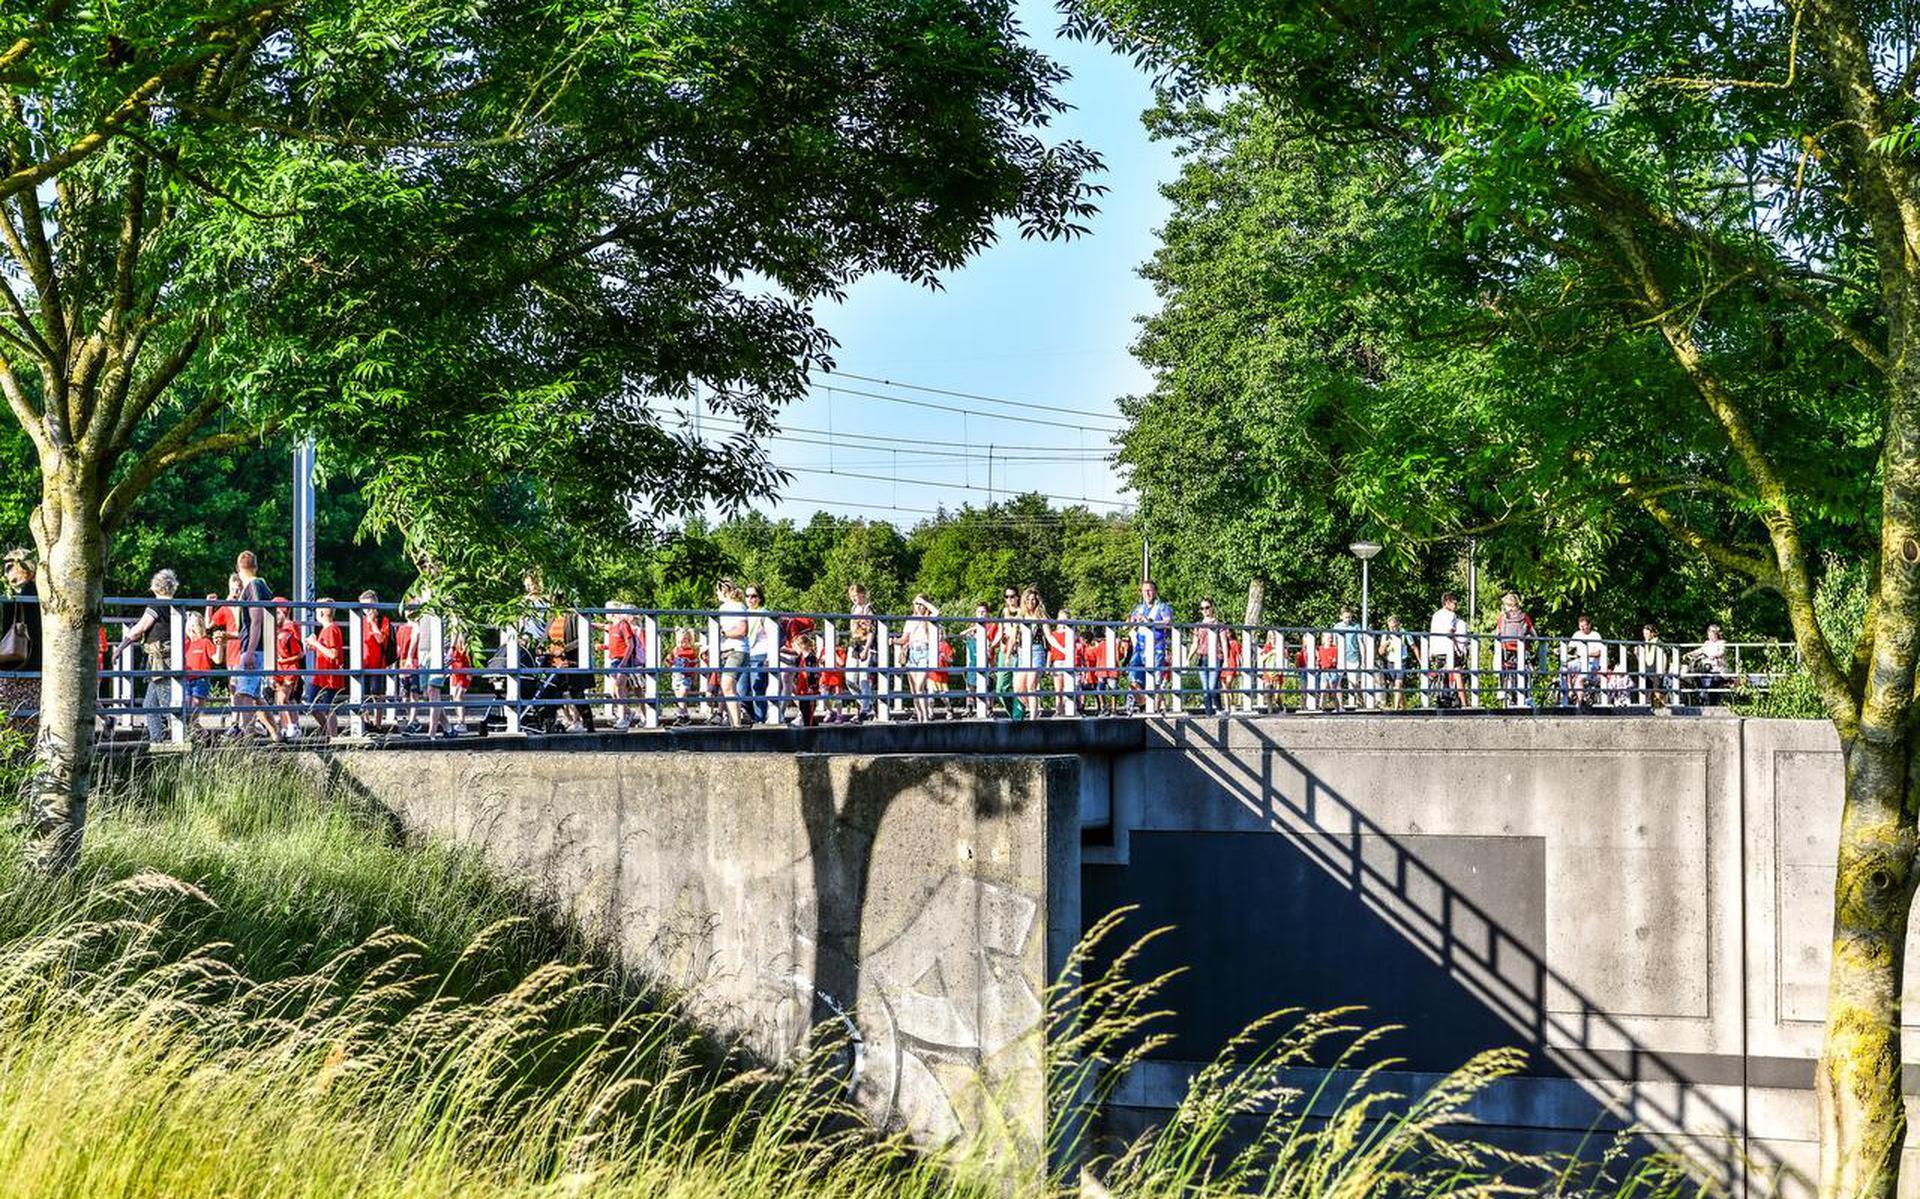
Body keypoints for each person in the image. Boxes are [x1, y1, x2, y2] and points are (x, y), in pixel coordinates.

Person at [120, 568, 179, 743]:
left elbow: (139, 629)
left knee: (167, 702)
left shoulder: (156, 606)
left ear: (156, 587)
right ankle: (156, 740)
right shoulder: (176, 605)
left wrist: (120, 648)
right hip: (168, 657)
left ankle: (183, 737)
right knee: (150, 704)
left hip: (161, 659)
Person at [233, 551, 276, 740]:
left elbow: (256, 619)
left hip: (253, 648)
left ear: (238, 568)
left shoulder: (253, 586)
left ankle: (248, 736)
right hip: (259, 646)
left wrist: (249, 651)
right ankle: (276, 733)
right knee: (255, 695)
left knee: (244, 695)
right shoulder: (261, 584)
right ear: (255, 566)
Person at [0, 548, 40, 725]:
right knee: (29, 718)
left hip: (13, 664)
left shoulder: (14, 596)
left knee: (11, 719)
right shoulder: (40, 593)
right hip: (36, 663)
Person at [1127, 580, 1173, 714]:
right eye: (1144, 590)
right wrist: (1133, 623)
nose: (1147, 593)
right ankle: (1144, 703)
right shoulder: (1139, 608)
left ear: (1155, 592)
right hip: (1140, 648)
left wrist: (1150, 622)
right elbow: (1131, 621)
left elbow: (1167, 622)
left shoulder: (1162, 607)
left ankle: (1154, 708)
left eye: (1150, 590)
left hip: (1156, 647)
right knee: (1132, 678)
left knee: (1156, 680)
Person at [307, 601, 347, 742]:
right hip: (322, 675)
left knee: (328, 707)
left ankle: (333, 736)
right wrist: (316, 646)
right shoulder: (327, 630)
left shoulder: (331, 629)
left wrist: (315, 643)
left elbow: (333, 654)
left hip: (330, 676)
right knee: (311, 704)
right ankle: (328, 732)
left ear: (322, 613)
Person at [901, 595, 941, 722]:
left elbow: (937, 612)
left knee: (919, 688)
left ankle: (925, 718)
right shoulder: (910, 620)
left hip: (924, 652)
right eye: (916, 603)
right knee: (914, 691)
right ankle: (919, 717)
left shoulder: (928, 619)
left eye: (920, 604)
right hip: (912, 653)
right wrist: (893, 641)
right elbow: (904, 638)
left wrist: (924, 602)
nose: (918, 606)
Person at [715, 579, 749, 727]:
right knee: (728, 688)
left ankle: (737, 724)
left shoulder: (738, 606)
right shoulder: (723, 608)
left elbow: (742, 630)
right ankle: (733, 722)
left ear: (723, 590)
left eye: (717, 591)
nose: (716, 594)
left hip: (737, 650)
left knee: (727, 685)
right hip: (726, 651)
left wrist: (724, 632)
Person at [601, 601, 639, 730]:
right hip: (614, 661)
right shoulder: (612, 626)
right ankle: (628, 712)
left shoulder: (623, 625)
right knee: (613, 691)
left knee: (619, 688)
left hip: (623, 660)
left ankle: (623, 718)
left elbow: (630, 645)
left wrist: (624, 663)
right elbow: (605, 629)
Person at [1493, 593, 1536, 708]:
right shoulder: (1524, 616)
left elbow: (1497, 633)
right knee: (1524, 672)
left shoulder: (1502, 617)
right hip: (1521, 650)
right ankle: (1526, 697)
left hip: (1506, 649)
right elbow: (1534, 634)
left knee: (1503, 666)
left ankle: (1502, 689)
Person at [1011, 587, 1047, 720]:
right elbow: (1013, 637)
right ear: (1024, 601)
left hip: (1037, 651)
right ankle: (1035, 709)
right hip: (1022, 652)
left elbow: (1049, 636)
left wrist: (1062, 648)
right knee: (1018, 689)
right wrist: (1009, 654)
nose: (1031, 602)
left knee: (1031, 685)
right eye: (1028, 599)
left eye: (1034, 600)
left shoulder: (1040, 615)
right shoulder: (1020, 616)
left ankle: (1033, 718)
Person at [271, 599, 305, 741]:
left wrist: (283, 661)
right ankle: (288, 727)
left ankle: (292, 726)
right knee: (282, 700)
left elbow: (300, 654)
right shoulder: (271, 634)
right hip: (278, 671)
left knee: (284, 698)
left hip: (289, 670)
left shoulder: (288, 632)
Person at [358, 590, 391, 731]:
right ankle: (365, 722)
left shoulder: (383, 620)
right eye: (363, 607)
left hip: (378, 663)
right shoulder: (359, 620)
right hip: (363, 662)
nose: (366, 610)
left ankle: (377, 725)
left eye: (369, 606)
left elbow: (380, 639)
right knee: (362, 694)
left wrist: (372, 623)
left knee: (377, 694)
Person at [1426, 593, 1467, 707]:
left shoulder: (1436, 615)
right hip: (1447, 649)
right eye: (1454, 602)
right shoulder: (1451, 615)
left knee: (1443, 673)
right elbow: (1450, 632)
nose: (1456, 605)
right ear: (1447, 602)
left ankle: (1444, 698)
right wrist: (1458, 648)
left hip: (1437, 650)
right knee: (1458, 672)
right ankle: (1465, 703)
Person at [744, 586, 778, 724]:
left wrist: (770, 656)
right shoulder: (743, 613)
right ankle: (751, 717)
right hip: (745, 654)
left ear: (760, 597)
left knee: (757, 688)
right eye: (747, 596)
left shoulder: (764, 614)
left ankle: (760, 720)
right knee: (742, 690)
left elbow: (772, 635)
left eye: (753, 596)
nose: (750, 599)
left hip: (759, 653)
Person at [1191, 598, 1228, 716]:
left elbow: (1224, 642)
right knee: (1206, 689)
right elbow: (1195, 643)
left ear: (1212, 608)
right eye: (1202, 608)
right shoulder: (1198, 625)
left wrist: (1226, 660)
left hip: (1216, 657)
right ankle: (1209, 714)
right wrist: (1189, 657)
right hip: (1202, 658)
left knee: (1212, 687)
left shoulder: (1219, 624)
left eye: (1207, 607)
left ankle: (1219, 708)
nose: (1205, 610)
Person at [844, 584, 876, 722]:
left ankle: (865, 709)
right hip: (854, 644)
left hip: (865, 645)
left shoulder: (868, 609)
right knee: (849, 679)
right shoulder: (853, 609)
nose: (853, 599)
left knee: (863, 677)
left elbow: (871, 631)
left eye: (856, 596)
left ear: (863, 594)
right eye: (852, 597)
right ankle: (869, 704)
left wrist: (867, 649)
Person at [181, 613, 216, 737]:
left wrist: (220, 645)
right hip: (186, 681)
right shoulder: (185, 643)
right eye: (190, 625)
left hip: (200, 681)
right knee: (186, 715)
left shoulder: (205, 642)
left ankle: (203, 737)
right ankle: (205, 736)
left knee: (193, 715)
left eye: (195, 624)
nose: (192, 628)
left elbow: (217, 659)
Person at [1563, 615, 1605, 706]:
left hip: (1592, 663)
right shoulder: (1577, 634)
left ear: (1589, 625)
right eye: (1580, 626)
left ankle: (1579, 704)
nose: (1582, 628)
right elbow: (1570, 648)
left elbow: (1599, 652)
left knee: (1580, 679)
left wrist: (1585, 654)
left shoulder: (1595, 635)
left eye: (1584, 625)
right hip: (1579, 661)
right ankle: (1570, 692)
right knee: (1565, 668)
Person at [1684, 624, 1731, 705]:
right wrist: (1690, 654)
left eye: (1712, 633)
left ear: (1716, 634)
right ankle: (1701, 696)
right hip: (1707, 668)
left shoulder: (1722, 643)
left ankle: (1713, 704)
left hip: (1718, 669)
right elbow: (1700, 650)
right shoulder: (1707, 643)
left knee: (1714, 682)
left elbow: (1722, 652)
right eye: (1709, 633)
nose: (1710, 635)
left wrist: (1713, 655)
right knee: (1695, 675)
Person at [1046, 608, 1079, 716]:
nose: (1062, 622)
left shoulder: (1071, 633)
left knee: (1069, 687)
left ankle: (1071, 709)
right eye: (1060, 619)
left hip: (1068, 661)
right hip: (1057, 662)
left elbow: (1077, 647)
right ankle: (1058, 710)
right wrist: (1048, 664)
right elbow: (1051, 650)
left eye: (1065, 619)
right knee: (1058, 689)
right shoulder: (1053, 634)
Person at [965, 602, 995, 719]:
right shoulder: (972, 628)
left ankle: (989, 708)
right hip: (973, 660)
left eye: (983, 612)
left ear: (987, 614)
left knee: (989, 686)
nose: (981, 614)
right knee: (971, 685)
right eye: (978, 612)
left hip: (989, 660)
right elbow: (963, 636)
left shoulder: (992, 626)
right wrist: (974, 628)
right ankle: (970, 707)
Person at [668, 626, 703, 725]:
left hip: (686, 676)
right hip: (676, 675)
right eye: (679, 641)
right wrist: (669, 661)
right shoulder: (675, 650)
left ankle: (681, 714)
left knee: (682, 694)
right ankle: (685, 714)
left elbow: (695, 662)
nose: (681, 644)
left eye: (684, 641)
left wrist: (690, 663)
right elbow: (670, 660)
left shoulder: (691, 651)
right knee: (678, 695)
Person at [1331, 606, 1363, 710]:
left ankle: (1361, 702)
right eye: (1346, 617)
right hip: (1341, 657)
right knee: (1337, 682)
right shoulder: (1336, 627)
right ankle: (1340, 706)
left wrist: (1363, 657)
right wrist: (1334, 657)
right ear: (1341, 617)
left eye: (1349, 617)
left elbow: (1360, 643)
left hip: (1353, 657)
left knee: (1354, 682)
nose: (1348, 619)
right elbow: (1334, 643)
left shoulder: (1356, 626)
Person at [1377, 616, 1412, 711]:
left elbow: (1413, 646)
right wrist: (1385, 644)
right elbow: (1380, 652)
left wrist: (1421, 659)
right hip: (1391, 661)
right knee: (1395, 686)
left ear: (1398, 625)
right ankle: (1404, 706)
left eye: (1395, 626)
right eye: (1391, 627)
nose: (1393, 628)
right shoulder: (1386, 635)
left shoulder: (1404, 633)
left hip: (1402, 660)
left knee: (1398, 684)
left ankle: (1396, 708)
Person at [1635, 623, 1671, 707]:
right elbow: (1641, 660)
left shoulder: (1658, 642)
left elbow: (1664, 656)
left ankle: (1663, 708)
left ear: (1652, 633)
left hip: (1656, 669)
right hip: (1647, 670)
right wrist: (1637, 654)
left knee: (1657, 691)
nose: (1645, 636)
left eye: (1647, 634)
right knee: (1646, 692)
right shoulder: (1644, 644)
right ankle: (1648, 708)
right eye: (1644, 634)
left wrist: (1663, 670)